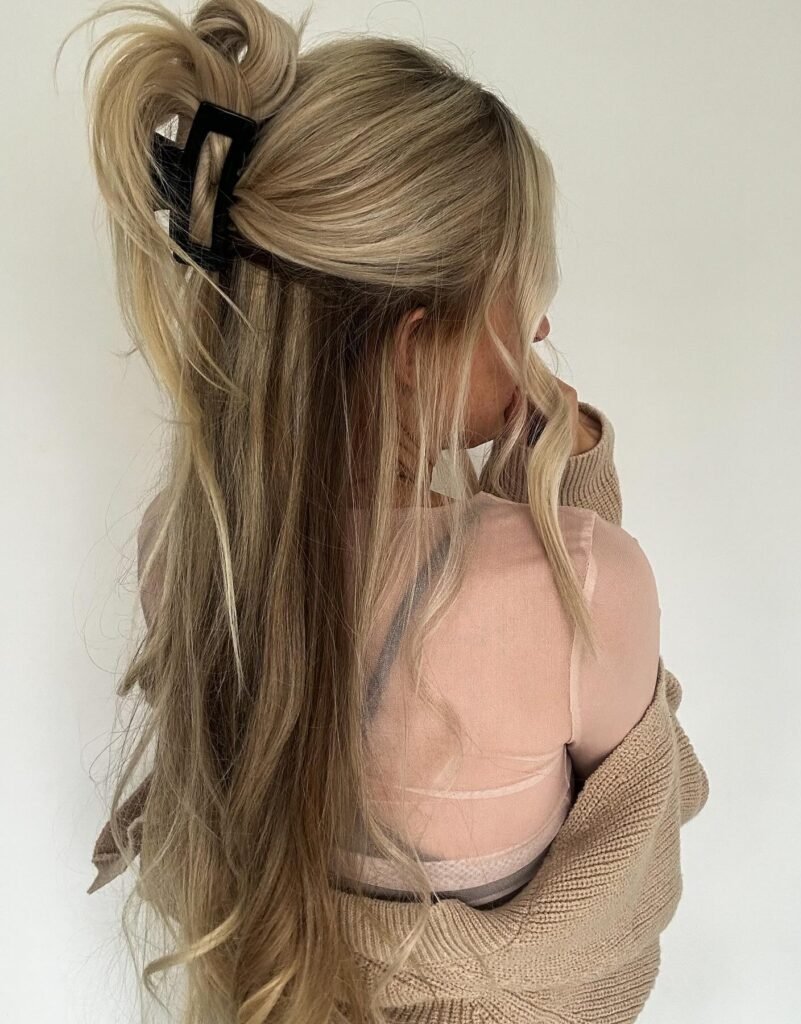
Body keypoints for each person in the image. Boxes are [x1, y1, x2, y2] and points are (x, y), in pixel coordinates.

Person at [66, 2, 708, 1022]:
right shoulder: (585, 583)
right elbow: (646, 818)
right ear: (413, 349)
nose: (542, 325)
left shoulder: (183, 550)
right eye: (516, 297)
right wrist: (578, 486)